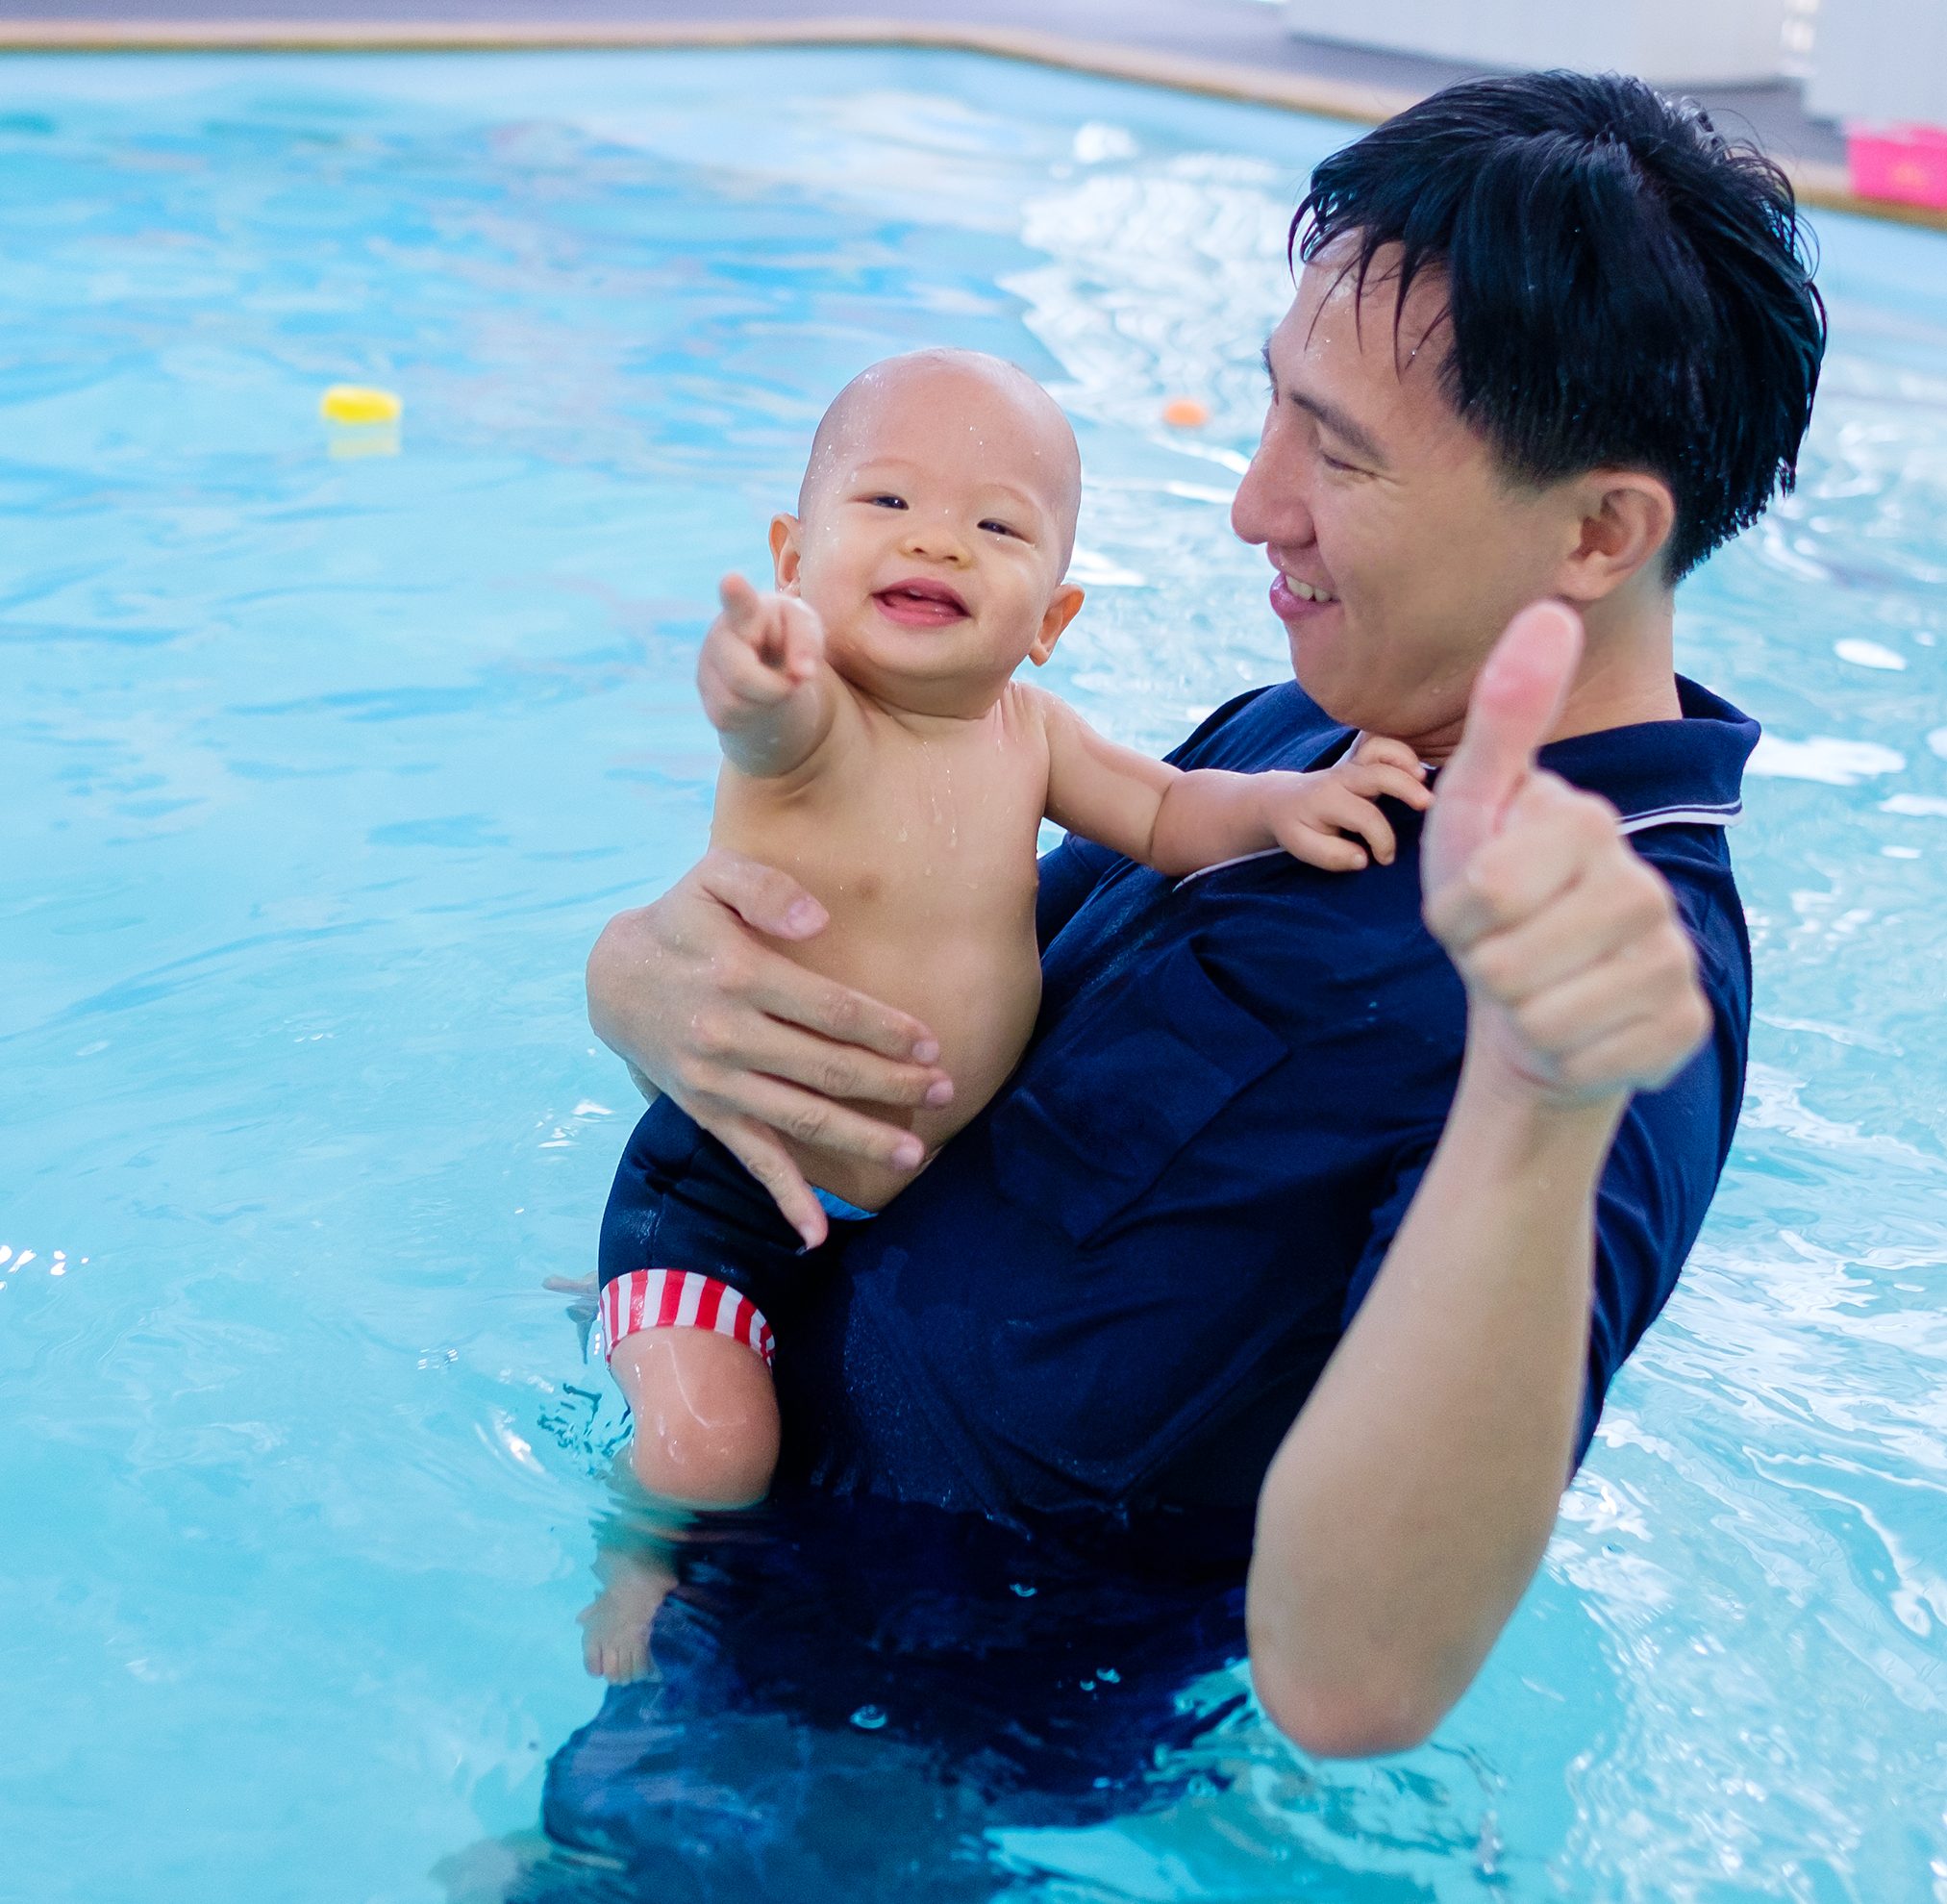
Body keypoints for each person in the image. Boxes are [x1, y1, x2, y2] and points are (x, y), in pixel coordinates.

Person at [578, 69, 1825, 1766]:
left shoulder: (1610, 994)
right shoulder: (1313, 726)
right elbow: (920, 951)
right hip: (724, 1530)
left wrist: (1539, 1104)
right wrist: (645, 981)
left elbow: (1358, 1682)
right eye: (1277, 410)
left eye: (1345, 454)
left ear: (1601, 530)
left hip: (886, 1747)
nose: (1254, 503)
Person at [596, 348, 1429, 1516]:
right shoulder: (823, 720)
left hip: (887, 1207)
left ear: (1052, 616)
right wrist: (754, 679)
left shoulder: (1031, 735)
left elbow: (1170, 809)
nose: (937, 542)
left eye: (996, 525)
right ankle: (628, 1569)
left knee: (755, 1410)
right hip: (726, 1189)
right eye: (886, 502)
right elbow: (767, 731)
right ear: (794, 561)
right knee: (712, 1458)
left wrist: (1293, 804)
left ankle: (630, 1322)